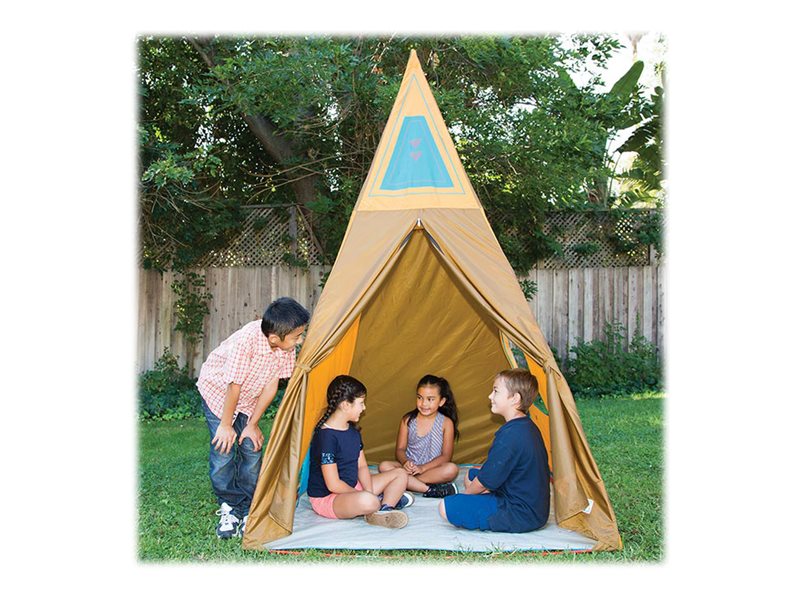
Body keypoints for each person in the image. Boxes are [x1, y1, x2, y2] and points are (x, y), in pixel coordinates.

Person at [196, 296, 310, 539]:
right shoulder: (245, 342)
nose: (300, 340)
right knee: (224, 450)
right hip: (220, 394)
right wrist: (226, 425)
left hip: (249, 397)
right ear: (274, 338)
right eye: (297, 336)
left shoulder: (285, 347)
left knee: (251, 447)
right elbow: (233, 386)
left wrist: (252, 424)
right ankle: (229, 504)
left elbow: (271, 385)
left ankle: (249, 505)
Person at [438, 368, 550, 533]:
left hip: (520, 514)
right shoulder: (526, 426)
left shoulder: (511, 435)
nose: (490, 396)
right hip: (534, 508)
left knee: (446, 507)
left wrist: (465, 497)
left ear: (515, 398)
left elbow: (484, 482)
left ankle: (482, 505)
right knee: (471, 475)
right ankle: (483, 501)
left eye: (496, 391)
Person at [307, 375, 414, 528]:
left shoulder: (353, 432)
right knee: (368, 500)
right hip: (329, 498)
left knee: (401, 474)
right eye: (361, 403)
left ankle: (384, 509)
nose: (364, 408)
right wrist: (365, 495)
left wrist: (368, 490)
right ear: (346, 405)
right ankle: (378, 502)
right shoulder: (326, 437)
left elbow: (362, 467)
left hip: (353, 488)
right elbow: (333, 485)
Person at [378, 374, 459, 498]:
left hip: (431, 469)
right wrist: (405, 462)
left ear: (441, 401)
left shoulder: (446, 423)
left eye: (430, 399)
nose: (424, 404)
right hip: (409, 469)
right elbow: (400, 449)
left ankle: (406, 483)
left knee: (451, 469)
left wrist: (423, 468)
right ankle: (426, 488)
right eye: (420, 398)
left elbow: (446, 456)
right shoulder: (407, 420)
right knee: (384, 466)